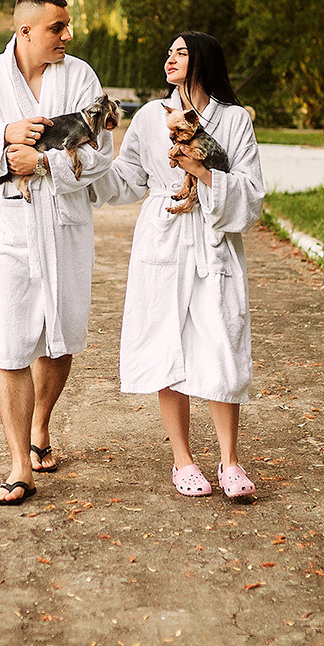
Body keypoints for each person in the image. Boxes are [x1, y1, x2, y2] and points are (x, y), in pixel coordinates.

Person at [0, 0, 114, 506]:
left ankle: (41, 424)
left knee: (60, 337)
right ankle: (20, 465)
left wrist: (41, 163)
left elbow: (102, 156)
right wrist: (4, 137)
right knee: (11, 343)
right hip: (10, 230)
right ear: (25, 31)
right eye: (57, 27)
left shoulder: (81, 78)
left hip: (63, 226)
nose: (67, 35)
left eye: (67, 26)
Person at [98, 32, 265, 500]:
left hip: (212, 242)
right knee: (167, 343)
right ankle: (183, 460)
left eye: (180, 52)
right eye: (168, 52)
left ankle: (230, 461)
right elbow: (127, 179)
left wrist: (201, 171)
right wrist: (91, 157)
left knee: (221, 343)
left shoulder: (234, 121)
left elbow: (251, 196)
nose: (169, 58)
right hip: (163, 240)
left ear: (203, 61)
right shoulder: (152, 116)